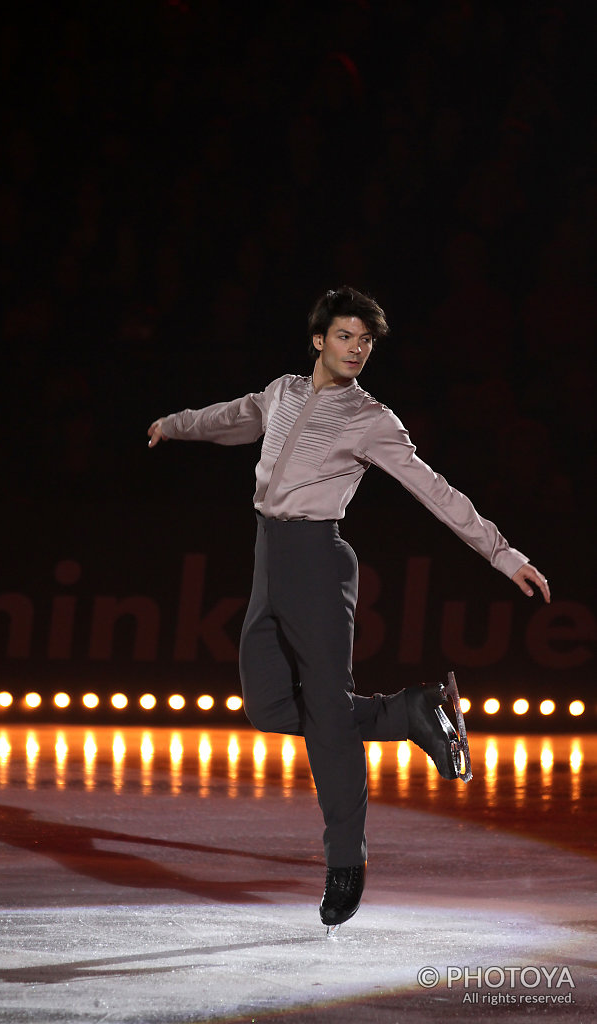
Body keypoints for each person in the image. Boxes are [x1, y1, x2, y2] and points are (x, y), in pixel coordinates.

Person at [147, 285, 550, 932]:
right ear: (318, 340)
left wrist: (501, 553)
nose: (356, 349)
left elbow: (434, 490)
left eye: (364, 341)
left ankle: (345, 863)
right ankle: (410, 712)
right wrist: (174, 423)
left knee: (329, 716)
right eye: (344, 337)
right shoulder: (281, 392)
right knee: (270, 708)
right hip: (267, 556)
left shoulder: (372, 419)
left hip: (316, 558)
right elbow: (230, 418)